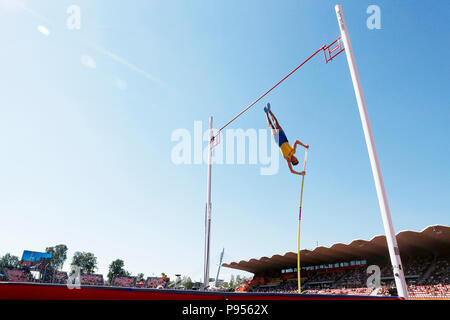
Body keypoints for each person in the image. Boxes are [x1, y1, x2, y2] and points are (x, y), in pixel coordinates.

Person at [264, 103, 308, 175]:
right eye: (297, 159)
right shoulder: (293, 151)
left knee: (271, 126)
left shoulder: (287, 159)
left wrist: (300, 173)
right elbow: (296, 141)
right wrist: (305, 146)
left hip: (279, 141)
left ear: (292, 161)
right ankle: (269, 110)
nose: (296, 158)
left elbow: (291, 171)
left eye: (295, 160)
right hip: (284, 138)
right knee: (276, 123)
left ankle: (266, 114)